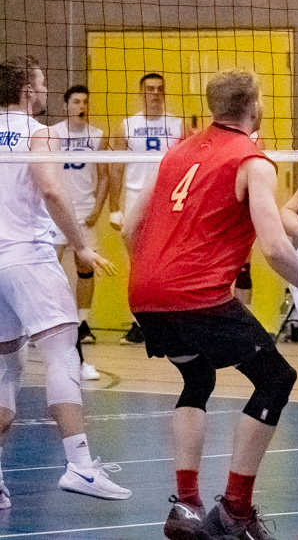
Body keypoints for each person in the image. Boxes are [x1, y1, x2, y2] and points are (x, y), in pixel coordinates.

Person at [124, 69, 298, 540]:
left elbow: (130, 227)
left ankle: (187, 506)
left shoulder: (175, 154)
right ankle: (236, 509)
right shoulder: (253, 162)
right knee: (277, 378)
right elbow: (276, 248)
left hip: (146, 293)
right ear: (254, 106)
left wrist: (155, 277)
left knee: (198, 377)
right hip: (196, 295)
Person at [0, 58, 129, 509]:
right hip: (30, 258)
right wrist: (81, 246)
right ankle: (79, 467)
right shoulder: (41, 132)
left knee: (6, 370)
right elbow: (52, 190)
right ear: (24, 91)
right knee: (60, 352)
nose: (45, 88)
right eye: (40, 82)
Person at [110, 72, 184, 346]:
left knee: (169, 262)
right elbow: (116, 167)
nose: (154, 93)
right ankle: (140, 323)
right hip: (134, 201)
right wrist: (114, 207)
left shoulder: (177, 126)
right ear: (141, 94)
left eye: (159, 89)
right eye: (149, 89)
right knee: (138, 265)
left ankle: (172, 322)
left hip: (168, 204)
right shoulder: (127, 125)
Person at [51, 85, 106, 353]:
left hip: (85, 212)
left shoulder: (96, 136)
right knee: (49, 266)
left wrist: (99, 208)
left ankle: (83, 323)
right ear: (66, 106)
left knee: (85, 268)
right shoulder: (53, 134)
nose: (81, 106)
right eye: (76, 102)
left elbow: (105, 175)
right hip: (57, 211)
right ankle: (49, 321)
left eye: (85, 101)